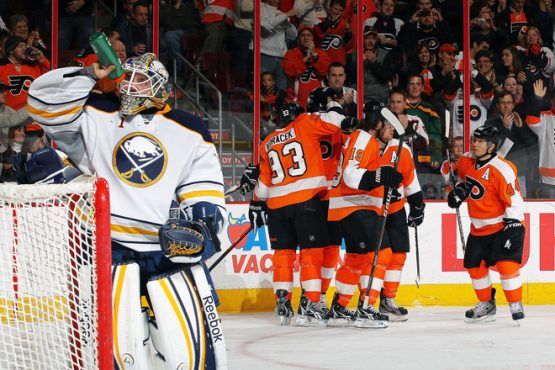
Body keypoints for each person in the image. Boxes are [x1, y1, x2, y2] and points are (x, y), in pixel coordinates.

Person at [28, 53, 228, 368]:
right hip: (108, 247)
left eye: (141, 79)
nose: (130, 85)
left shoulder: (189, 128)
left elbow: (204, 186)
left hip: (164, 250)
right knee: (121, 345)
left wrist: (204, 227)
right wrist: (87, 74)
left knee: (188, 345)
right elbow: (41, 103)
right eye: (128, 78)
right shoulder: (94, 111)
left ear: (161, 88)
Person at [249, 100, 355, 327]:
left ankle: (283, 303)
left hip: (276, 205)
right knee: (311, 254)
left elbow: (263, 189)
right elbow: (334, 121)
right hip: (306, 201)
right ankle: (312, 304)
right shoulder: (304, 123)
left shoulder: (266, 143)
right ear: (297, 114)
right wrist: (336, 106)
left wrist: (255, 199)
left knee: (283, 256)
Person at [326, 101, 403, 328]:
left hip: (348, 206)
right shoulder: (363, 139)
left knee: (357, 259)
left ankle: (340, 307)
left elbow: (365, 176)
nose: (390, 129)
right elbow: (352, 175)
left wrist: (385, 182)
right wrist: (381, 176)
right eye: (387, 124)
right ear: (377, 123)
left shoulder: (363, 140)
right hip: (355, 206)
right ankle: (366, 307)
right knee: (382, 254)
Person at [447, 126, 526, 322]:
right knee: (475, 267)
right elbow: (465, 180)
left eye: (480, 141)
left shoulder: (502, 169)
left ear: (491, 146)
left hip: (501, 227)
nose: (474, 143)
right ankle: (487, 305)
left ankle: (515, 303)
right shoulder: (467, 161)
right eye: (475, 139)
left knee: (507, 266)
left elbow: (514, 200)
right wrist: (458, 191)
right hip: (478, 228)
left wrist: (513, 228)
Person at [375, 109, 425, 322]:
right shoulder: (367, 146)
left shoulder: (401, 149)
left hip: (395, 209)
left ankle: (388, 299)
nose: (390, 130)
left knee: (398, 255)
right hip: (373, 211)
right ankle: (367, 301)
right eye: (386, 126)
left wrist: (417, 206)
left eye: (391, 127)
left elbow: (410, 180)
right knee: (377, 257)